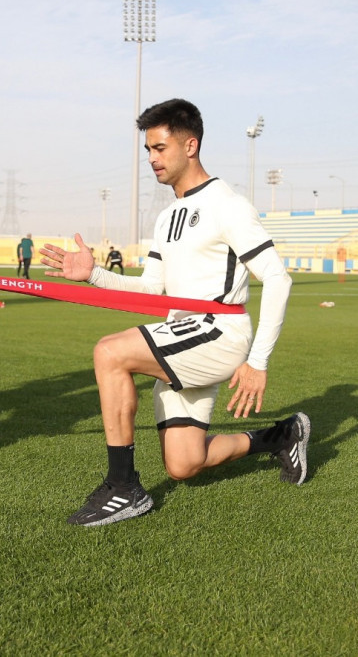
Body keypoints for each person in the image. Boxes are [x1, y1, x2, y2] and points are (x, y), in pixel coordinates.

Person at [39, 98, 306, 527]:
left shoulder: (228, 205)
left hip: (220, 333)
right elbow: (151, 288)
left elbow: (278, 278)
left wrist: (257, 362)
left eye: (160, 148)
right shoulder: (168, 217)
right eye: (148, 150)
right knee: (185, 463)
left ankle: (123, 487)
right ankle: (281, 435)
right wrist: (93, 275)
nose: (152, 159)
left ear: (191, 145)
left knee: (109, 352)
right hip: (182, 333)